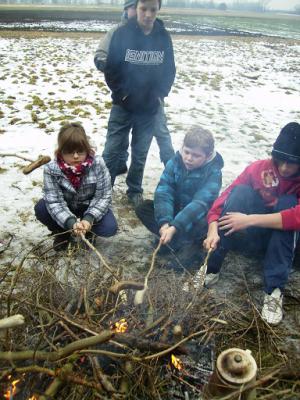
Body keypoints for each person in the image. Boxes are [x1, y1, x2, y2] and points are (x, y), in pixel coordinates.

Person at [203, 122, 300, 325]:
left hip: (288, 243)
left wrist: (248, 220)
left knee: (288, 203)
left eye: (292, 163)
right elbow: (225, 198)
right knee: (241, 192)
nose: (284, 168)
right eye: (280, 160)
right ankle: (210, 268)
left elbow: (296, 217)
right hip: (255, 237)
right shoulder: (258, 169)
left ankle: (274, 290)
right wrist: (213, 226)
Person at [102, 0, 176, 208]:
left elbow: (169, 70)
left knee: (140, 153)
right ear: (137, 8)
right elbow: (111, 69)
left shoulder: (163, 36)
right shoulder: (122, 34)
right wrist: (123, 94)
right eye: (144, 9)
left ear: (158, 10)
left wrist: (159, 95)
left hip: (149, 110)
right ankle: (103, 192)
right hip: (122, 107)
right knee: (111, 150)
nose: (148, 14)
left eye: (153, 10)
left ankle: (134, 190)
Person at [136, 126, 224, 267]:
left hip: (196, 217)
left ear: (207, 156)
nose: (189, 158)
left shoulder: (214, 172)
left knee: (202, 225)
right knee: (143, 208)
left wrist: (174, 227)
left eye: (196, 156)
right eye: (186, 152)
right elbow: (164, 191)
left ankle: (187, 245)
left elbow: (200, 203)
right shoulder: (175, 162)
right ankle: (171, 240)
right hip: (175, 211)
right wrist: (165, 223)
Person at [34, 123, 118, 250]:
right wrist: (70, 223)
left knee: (109, 227)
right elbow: (54, 201)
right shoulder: (51, 169)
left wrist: (89, 219)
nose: (76, 156)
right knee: (41, 208)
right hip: (66, 207)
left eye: (80, 151)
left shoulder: (98, 164)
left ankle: (88, 232)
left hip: (89, 206)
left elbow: (103, 196)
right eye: (69, 152)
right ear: (61, 152)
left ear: (87, 149)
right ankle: (63, 232)